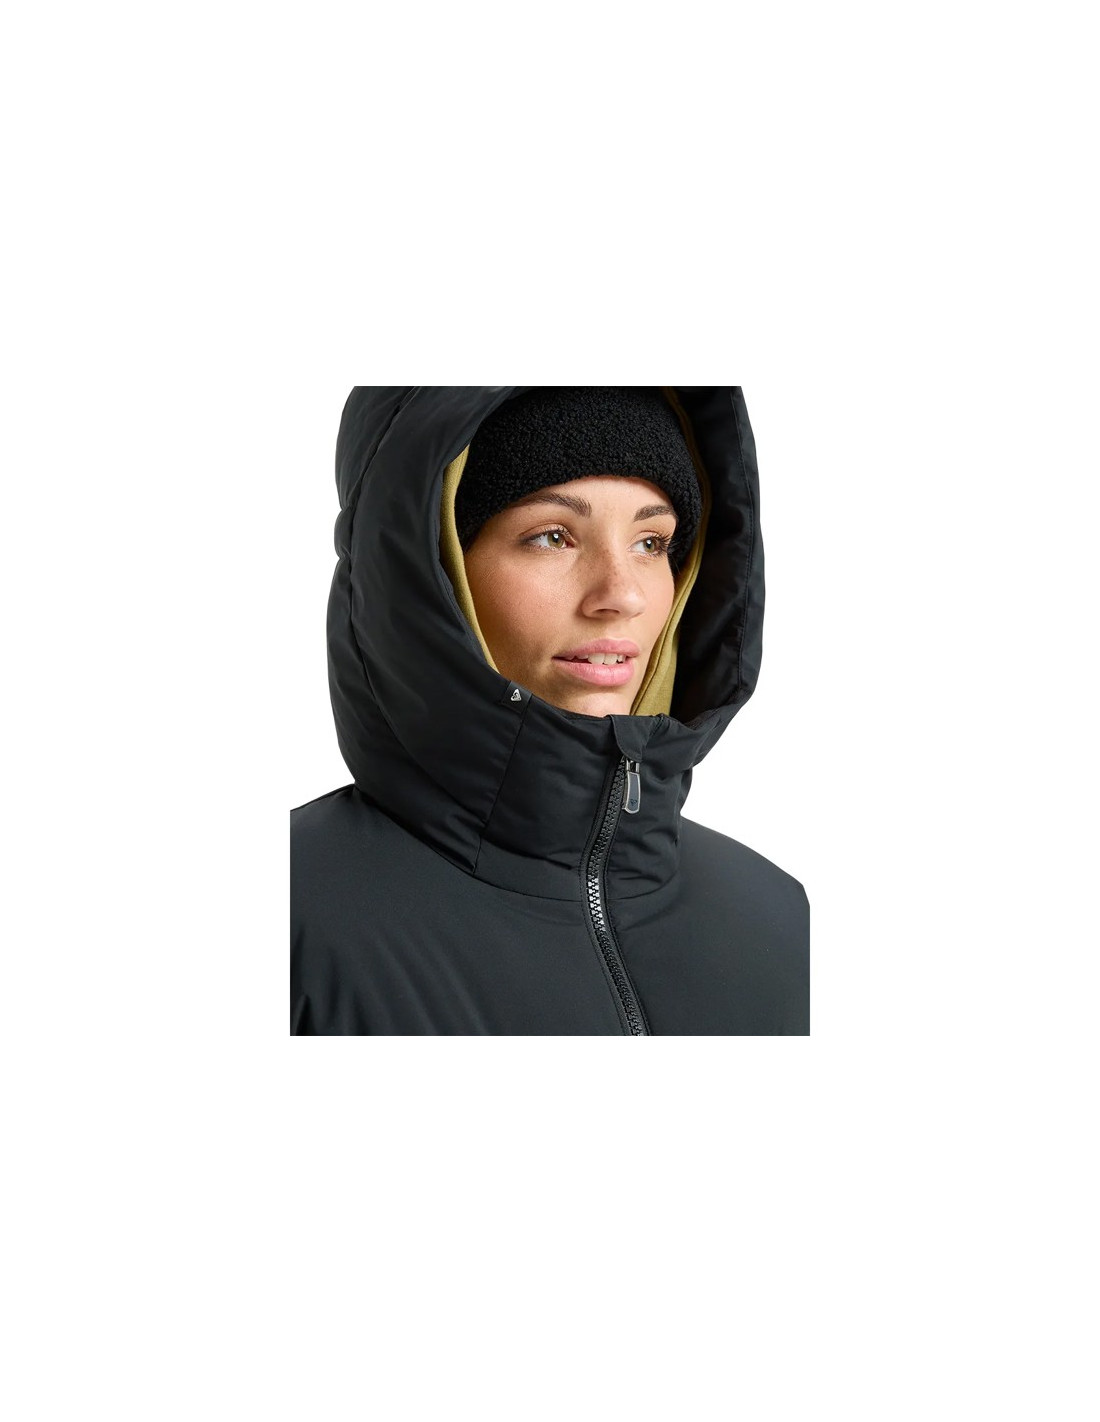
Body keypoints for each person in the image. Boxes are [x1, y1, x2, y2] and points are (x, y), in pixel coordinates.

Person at [291, 386, 809, 1035]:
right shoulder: (289, 919)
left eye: (651, 543)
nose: (621, 595)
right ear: (433, 573)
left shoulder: (781, 918)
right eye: (552, 537)